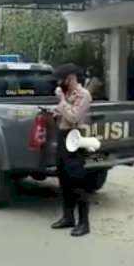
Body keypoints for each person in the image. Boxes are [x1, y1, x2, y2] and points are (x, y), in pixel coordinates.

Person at [50, 63, 93, 237]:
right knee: (64, 178)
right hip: (63, 136)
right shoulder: (67, 95)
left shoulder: (84, 95)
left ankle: (84, 223)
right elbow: (63, 116)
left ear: (71, 78)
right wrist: (56, 111)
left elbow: (74, 117)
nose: (60, 83)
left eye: (62, 79)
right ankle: (68, 217)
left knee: (77, 180)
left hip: (76, 137)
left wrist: (61, 102)